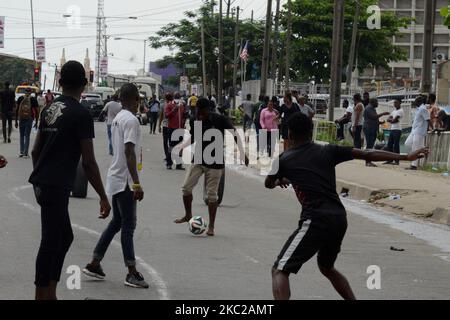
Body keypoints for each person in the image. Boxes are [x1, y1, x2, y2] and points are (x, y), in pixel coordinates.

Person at [265, 112, 428, 300]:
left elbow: (268, 183)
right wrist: (406, 157)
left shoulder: (284, 159)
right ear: (311, 132)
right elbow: (367, 153)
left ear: (290, 134)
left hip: (315, 220)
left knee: (279, 270)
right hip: (339, 219)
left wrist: (281, 180)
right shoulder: (328, 150)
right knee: (327, 267)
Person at [29, 60, 111, 300]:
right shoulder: (80, 114)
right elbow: (88, 161)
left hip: (44, 184)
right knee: (50, 241)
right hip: (55, 186)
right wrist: (103, 196)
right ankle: (41, 295)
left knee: (64, 237)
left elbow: (35, 152)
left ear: (60, 83)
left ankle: (50, 292)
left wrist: (41, 179)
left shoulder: (49, 110)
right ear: (84, 85)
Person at [83, 83, 149, 289]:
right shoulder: (131, 120)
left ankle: (95, 263)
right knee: (128, 225)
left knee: (117, 222)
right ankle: (131, 272)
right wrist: (136, 183)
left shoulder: (119, 117)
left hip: (117, 176)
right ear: (133, 99)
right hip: (125, 181)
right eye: (138, 99)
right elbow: (129, 151)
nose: (139, 103)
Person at [173, 98, 248, 236]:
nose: (199, 114)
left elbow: (235, 133)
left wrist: (243, 154)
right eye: (197, 111)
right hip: (199, 160)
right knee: (186, 188)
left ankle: (211, 226)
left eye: (202, 111)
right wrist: (184, 146)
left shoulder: (220, 119)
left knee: (212, 196)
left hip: (215, 162)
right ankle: (188, 215)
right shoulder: (196, 120)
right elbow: (194, 137)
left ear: (208, 109)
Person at [406, 96, 430, 170]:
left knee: (415, 148)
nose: (415, 102)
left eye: (416, 101)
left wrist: (430, 128)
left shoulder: (423, 109)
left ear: (419, 101)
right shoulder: (419, 109)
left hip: (419, 131)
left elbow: (428, 119)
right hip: (414, 130)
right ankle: (424, 150)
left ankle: (414, 165)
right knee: (407, 143)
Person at [363, 98, 389, 167]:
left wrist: (380, 122)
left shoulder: (371, 108)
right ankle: (368, 161)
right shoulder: (369, 108)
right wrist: (383, 113)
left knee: (371, 145)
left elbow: (372, 119)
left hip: (371, 128)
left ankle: (368, 160)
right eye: (376, 102)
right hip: (369, 128)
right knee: (369, 145)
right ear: (373, 102)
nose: (377, 103)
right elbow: (373, 117)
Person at [165, 92, 188, 170]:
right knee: (171, 146)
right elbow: (167, 115)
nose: (178, 98)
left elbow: (184, 116)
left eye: (179, 97)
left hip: (180, 129)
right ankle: (169, 163)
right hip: (172, 128)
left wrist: (185, 116)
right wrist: (174, 110)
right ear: (173, 97)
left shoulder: (182, 106)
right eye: (176, 97)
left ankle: (178, 164)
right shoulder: (169, 105)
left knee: (180, 147)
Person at [16, 88, 39, 158]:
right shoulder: (33, 99)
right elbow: (37, 111)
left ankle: (21, 152)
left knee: (21, 135)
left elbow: (17, 109)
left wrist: (16, 120)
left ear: (25, 91)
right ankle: (26, 153)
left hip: (21, 118)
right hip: (29, 118)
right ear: (31, 92)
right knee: (27, 136)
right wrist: (37, 121)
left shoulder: (20, 98)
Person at [384, 99, 404, 165]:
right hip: (392, 129)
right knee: (389, 145)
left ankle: (396, 160)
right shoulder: (394, 111)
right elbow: (388, 119)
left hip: (397, 129)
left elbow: (393, 121)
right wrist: (392, 120)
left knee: (396, 145)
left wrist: (392, 120)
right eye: (394, 103)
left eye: (396, 102)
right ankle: (389, 159)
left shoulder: (400, 111)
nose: (394, 104)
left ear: (400, 103)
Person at [159, 94, 171, 163]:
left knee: (165, 141)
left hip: (165, 126)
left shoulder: (163, 105)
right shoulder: (173, 104)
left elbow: (161, 115)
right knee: (170, 142)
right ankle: (168, 156)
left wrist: (159, 125)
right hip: (171, 126)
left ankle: (167, 156)